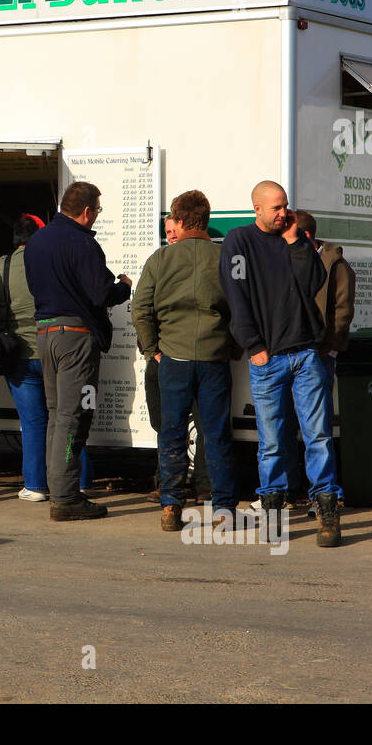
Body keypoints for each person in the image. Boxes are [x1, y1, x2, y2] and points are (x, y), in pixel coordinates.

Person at [219, 180, 342, 547]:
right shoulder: (239, 242)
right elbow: (235, 296)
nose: (283, 213)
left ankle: (327, 513)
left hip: (305, 354)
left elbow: (314, 282)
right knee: (271, 442)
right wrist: (253, 345)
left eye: (286, 205)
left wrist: (295, 242)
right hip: (267, 358)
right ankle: (273, 514)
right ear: (256, 208)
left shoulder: (297, 239)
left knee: (318, 436)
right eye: (276, 208)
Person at [24, 182, 131, 521]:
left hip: (46, 334)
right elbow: (101, 294)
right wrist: (124, 287)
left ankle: (60, 490)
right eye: (97, 210)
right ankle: (66, 498)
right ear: (87, 211)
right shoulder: (83, 243)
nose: (96, 215)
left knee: (56, 415)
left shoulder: (36, 241)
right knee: (75, 417)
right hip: (76, 339)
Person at [133, 190, 239, 531]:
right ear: (205, 221)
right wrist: (232, 348)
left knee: (172, 433)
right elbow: (242, 309)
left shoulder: (160, 259)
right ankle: (223, 509)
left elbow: (140, 308)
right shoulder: (225, 258)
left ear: (178, 222)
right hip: (214, 358)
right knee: (216, 433)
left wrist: (153, 350)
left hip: (173, 359)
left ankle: (171, 506)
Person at [0, 213, 94, 502]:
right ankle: (79, 481)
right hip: (57, 350)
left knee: (33, 423)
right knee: (68, 416)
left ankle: (35, 485)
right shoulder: (53, 261)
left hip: (18, 356)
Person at [283, 210, 356, 510]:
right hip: (285, 353)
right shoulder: (285, 257)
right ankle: (285, 494)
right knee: (282, 427)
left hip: (318, 356)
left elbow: (343, 310)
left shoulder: (335, 264)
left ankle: (324, 496)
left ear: (305, 235)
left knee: (317, 429)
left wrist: (329, 348)